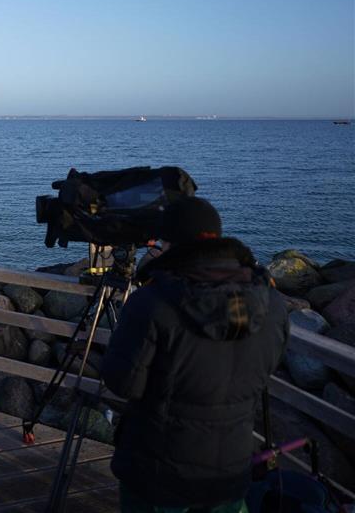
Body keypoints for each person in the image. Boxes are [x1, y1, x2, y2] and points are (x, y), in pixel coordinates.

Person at [101, 196, 289, 513]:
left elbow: (123, 383)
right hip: (230, 469)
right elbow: (267, 367)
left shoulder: (153, 302)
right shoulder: (272, 304)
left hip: (157, 474)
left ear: (171, 243)